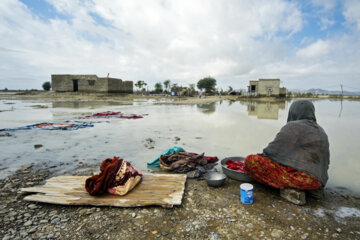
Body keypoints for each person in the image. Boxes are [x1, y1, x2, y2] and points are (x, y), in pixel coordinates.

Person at [244, 100, 330, 204]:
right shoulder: (321, 131)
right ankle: (312, 191)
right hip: (319, 181)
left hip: (303, 179)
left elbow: (270, 152)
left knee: (251, 161)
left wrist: (261, 157)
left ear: (293, 112)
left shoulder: (293, 127)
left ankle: (293, 190)